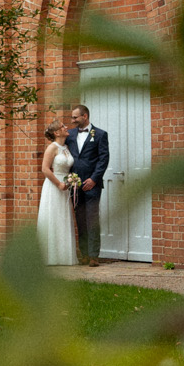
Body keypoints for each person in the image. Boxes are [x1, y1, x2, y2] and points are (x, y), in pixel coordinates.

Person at [65, 103, 109, 266]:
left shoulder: (100, 134)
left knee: (92, 220)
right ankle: (83, 254)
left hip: (92, 185)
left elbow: (103, 159)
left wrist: (94, 179)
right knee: (80, 220)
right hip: (75, 185)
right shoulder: (69, 134)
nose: (72, 120)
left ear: (85, 116)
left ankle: (93, 256)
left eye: (75, 117)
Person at [36, 123, 76, 266]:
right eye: (62, 127)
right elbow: (45, 169)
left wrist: (71, 180)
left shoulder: (67, 147)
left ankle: (63, 256)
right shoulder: (52, 147)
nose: (66, 127)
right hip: (54, 186)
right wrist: (59, 184)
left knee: (62, 218)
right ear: (56, 133)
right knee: (53, 217)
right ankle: (50, 256)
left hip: (65, 186)